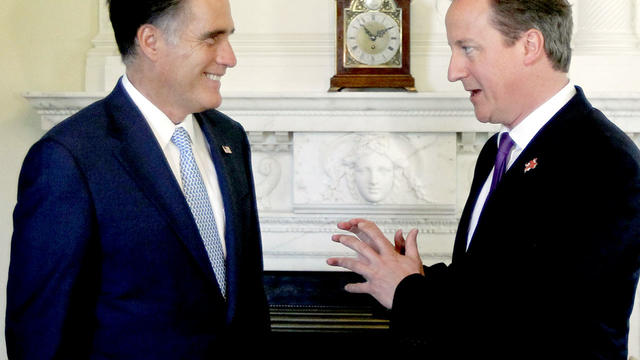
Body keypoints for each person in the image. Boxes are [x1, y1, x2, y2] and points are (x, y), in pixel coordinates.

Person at [328, 0, 640, 358]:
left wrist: (407, 291)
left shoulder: (603, 161)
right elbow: (489, 283)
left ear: (529, 46)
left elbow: (547, 329)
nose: (453, 71)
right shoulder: (499, 150)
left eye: (467, 49)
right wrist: (408, 273)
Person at [6, 0, 269, 358]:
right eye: (212, 38)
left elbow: (248, 300)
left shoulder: (230, 139)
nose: (229, 57)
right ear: (150, 41)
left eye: (229, 37)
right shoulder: (68, 158)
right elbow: (40, 336)